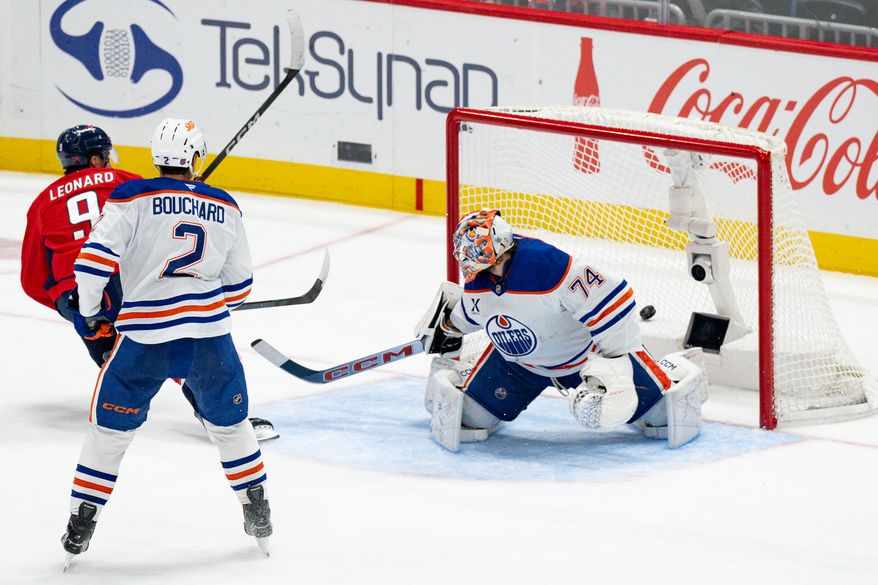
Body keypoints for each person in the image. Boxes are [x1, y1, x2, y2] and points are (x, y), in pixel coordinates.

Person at [60, 118, 272, 567]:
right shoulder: (226, 205)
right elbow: (239, 287)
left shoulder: (130, 196)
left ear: (156, 157)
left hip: (145, 341)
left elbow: (93, 264)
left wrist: (94, 310)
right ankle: (257, 506)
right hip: (210, 339)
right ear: (195, 158)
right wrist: (205, 295)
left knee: (109, 433)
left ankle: (84, 518)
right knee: (230, 427)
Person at [20, 124, 277, 441]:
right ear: (98, 159)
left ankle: (114, 414)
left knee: (113, 343)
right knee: (176, 334)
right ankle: (222, 417)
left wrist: (76, 311)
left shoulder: (43, 202)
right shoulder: (127, 181)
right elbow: (163, 229)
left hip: (78, 293)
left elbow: (33, 280)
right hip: (125, 283)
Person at [415, 209, 708, 452]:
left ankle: (673, 369)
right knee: (470, 419)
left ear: (495, 247)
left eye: (473, 253)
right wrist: (446, 328)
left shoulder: (543, 264)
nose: (467, 261)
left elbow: (614, 296)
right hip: (516, 366)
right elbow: (469, 312)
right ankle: (469, 373)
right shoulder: (478, 282)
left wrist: (614, 364)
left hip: (581, 361)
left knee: (662, 418)